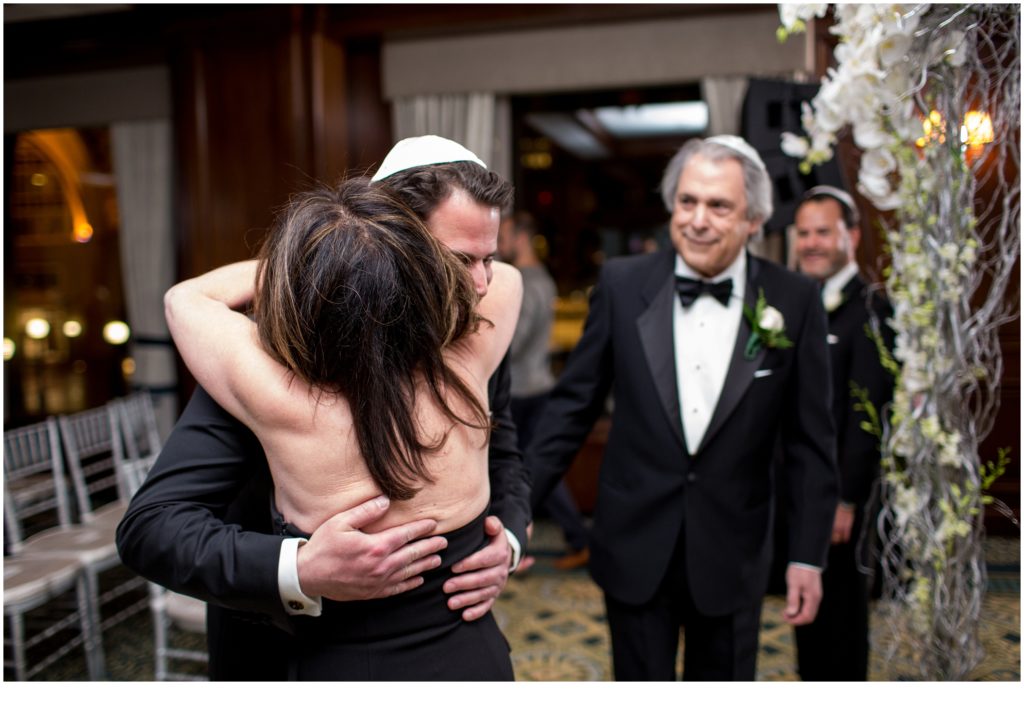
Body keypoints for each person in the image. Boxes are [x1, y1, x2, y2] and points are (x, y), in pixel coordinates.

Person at [116, 136, 530, 680]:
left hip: (457, 630)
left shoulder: (469, 331)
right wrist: (299, 571)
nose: (480, 284)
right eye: (459, 260)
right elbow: (154, 529)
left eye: (490, 258)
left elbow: (503, 454)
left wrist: (509, 540)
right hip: (286, 651)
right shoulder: (270, 354)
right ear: (395, 239)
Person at [525, 135, 839, 681]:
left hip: (734, 552)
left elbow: (811, 442)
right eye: (687, 202)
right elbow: (572, 407)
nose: (698, 220)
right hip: (634, 545)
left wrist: (807, 554)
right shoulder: (623, 285)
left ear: (753, 220)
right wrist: (517, 507)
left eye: (719, 206)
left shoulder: (794, 300)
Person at [787, 185, 895, 680]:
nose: (810, 243)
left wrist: (846, 498)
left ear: (851, 236)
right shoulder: (796, 302)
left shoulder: (870, 310)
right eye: (803, 233)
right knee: (809, 611)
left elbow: (865, 413)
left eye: (822, 232)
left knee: (841, 618)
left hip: (840, 501)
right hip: (800, 490)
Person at [497, 211, 589, 570]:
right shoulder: (542, 279)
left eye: (504, 234)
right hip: (536, 386)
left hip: (523, 390)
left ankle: (524, 537)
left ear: (521, 237)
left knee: (525, 468)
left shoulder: (524, 281)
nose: (499, 241)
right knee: (533, 467)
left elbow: (513, 341)